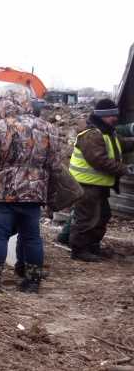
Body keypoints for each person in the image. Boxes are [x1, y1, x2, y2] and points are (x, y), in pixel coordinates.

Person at [0, 91, 61, 293]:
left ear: (4, 105)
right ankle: (33, 281)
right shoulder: (49, 129)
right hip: (35, 194)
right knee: (32, 237)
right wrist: (50, 196)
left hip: (3, 193)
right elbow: (55, 167)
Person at [66, 98, 134, 262]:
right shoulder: (92, 135)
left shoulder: (106, 132)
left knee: (102, 216)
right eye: (112, 115)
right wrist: (125, 169)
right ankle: (79, 250)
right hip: (86, 185)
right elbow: (99, 161)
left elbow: (121, 144)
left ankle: (92, 246)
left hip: (98, 185)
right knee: (87, 218)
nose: (115, 118)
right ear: (103, 116)